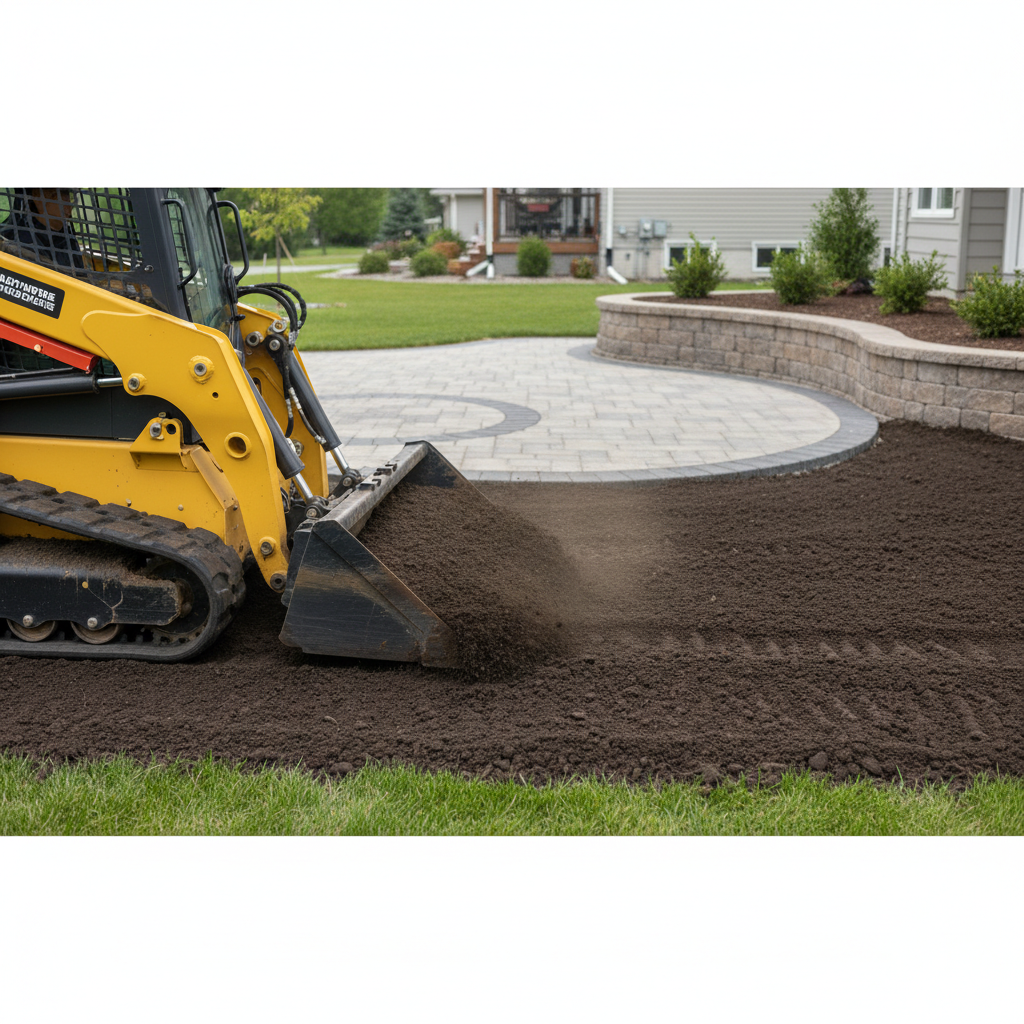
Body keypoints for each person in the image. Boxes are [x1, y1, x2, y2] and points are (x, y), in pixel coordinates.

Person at [0, 188, 85, 270]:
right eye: (63, 199)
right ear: (39, 198)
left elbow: (80, 274)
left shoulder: (68, 239)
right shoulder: (22, 238)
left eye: (71, 200)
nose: (69, 206)